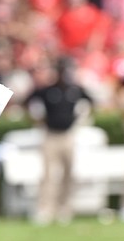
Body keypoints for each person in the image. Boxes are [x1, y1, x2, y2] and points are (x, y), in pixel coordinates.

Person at [24, 54, 94, 225]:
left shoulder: (75, 89)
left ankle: (65, 209)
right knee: (48, 174)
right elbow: (27, 101)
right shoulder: (48, 90)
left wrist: (79, 119)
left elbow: (92, 102)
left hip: (68, 135)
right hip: (51, 135)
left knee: (68, 173)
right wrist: (37, 119)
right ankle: (45, 209)